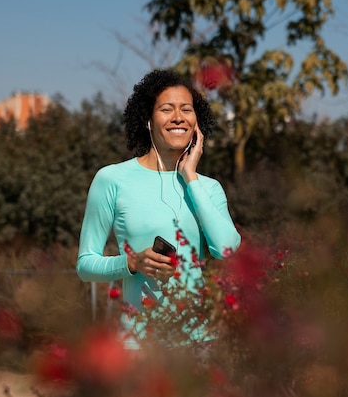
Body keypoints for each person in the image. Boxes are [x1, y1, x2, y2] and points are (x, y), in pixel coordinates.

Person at [76, 69, 241, 350]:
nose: (178, 117)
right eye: (167, 109)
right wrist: (130, 263)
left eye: (186, 110)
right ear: (148, 120)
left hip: (200, 346)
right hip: (138, 348)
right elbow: (85, 264)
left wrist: (190, 176)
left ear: (196, 122)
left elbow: (226, 249)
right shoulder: (111, 179)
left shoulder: (208, 188)